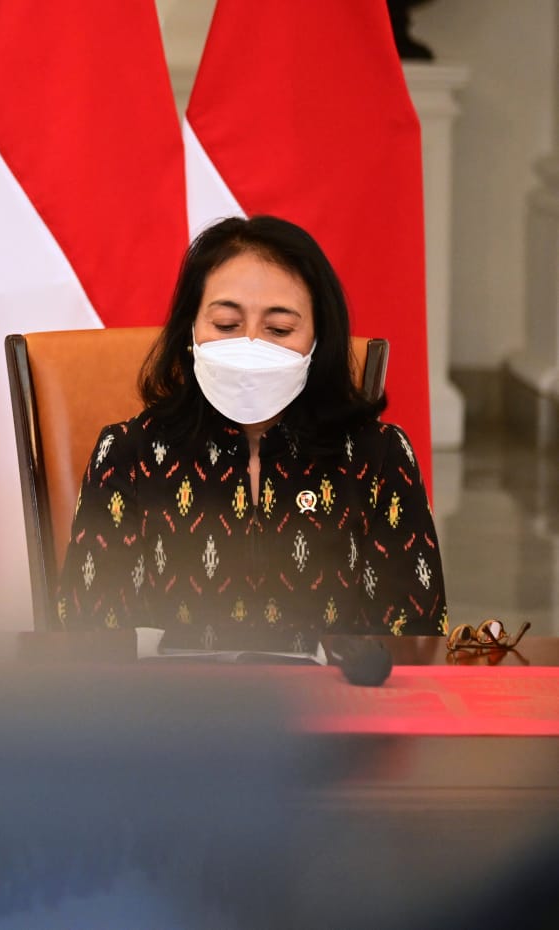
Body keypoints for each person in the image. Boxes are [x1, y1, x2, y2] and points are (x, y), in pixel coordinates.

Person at [56, 215, 446, 649]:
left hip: (334, 694)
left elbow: (412, 641)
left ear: (318, 342)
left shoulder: (379, 457)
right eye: (226, 325)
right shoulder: (128, 453)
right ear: (190, 332)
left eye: (279, 329)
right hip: (169, 693)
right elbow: (92, 637)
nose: (250, 346)